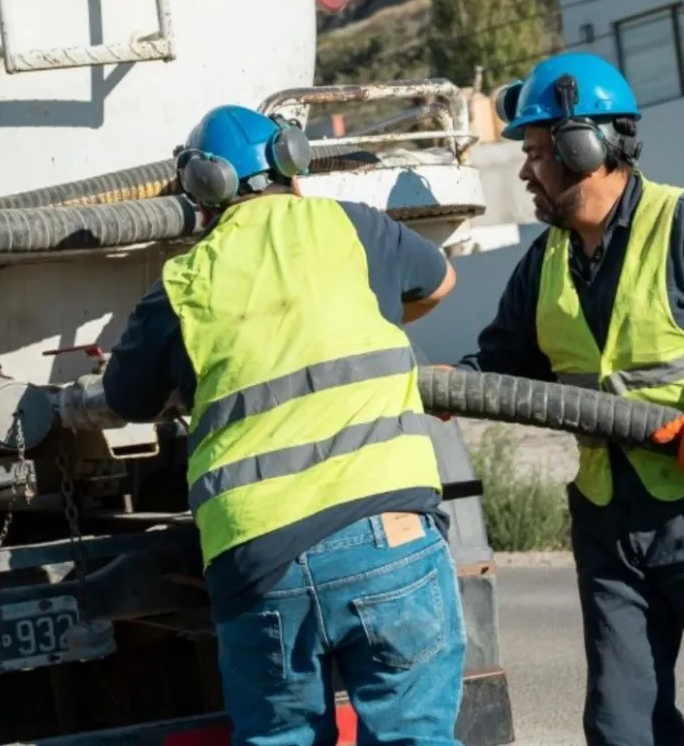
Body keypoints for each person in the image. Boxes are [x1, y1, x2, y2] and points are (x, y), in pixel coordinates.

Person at [454, 53, 684, 746]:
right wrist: (441, 389)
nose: (527, 171)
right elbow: (498, 363)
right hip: (609, 526)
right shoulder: (545, 263)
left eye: (538, 153)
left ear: (586, 147)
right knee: (622, 728)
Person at [100, 104, 466, 746]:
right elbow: (441, 282)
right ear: (292, 161)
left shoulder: (182, 283)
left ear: (202, 192)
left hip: (259, 557)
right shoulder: (353, 228)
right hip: (389, 535)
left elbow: (126, 398)